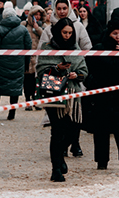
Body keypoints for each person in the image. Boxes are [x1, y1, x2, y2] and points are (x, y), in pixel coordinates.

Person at [37, 19, 87, 182]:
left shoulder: (76, 48)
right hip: (54, 92)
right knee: (57, 131)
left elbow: (84, 70)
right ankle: (56, 168)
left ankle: (60, 157)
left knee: (73, 129)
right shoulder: (48, 49)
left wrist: (76, 74)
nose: (67, 36)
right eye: (64, 32)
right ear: (58, 32)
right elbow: (41, 70)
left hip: (73, 93)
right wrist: (57, 69)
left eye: (70, 33)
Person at [83, 19, 119, 170]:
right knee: (101, 130)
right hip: (102, 97)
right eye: (115, 33)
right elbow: (88, 69)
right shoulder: (99, 49)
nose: (118, 36)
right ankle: (101, 161)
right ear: (109, 33)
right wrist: (93, 84)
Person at [0, 9, 31, 120]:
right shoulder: (23, 29)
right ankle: (11, 113)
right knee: (15, 88)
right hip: (18, 63)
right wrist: (26, 63)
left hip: (1, 65)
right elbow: (28, 47)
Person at [23, 5, 47, 109]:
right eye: (35, 14)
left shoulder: (44, 26)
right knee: (27, 80)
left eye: (39, 15)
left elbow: (46, 38)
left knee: (37, 81)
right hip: (28, 57)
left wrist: (38, 29)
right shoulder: (24, 25)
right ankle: (28, 101)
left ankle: (35, 100)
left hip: (39, 57)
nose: (37, 17)